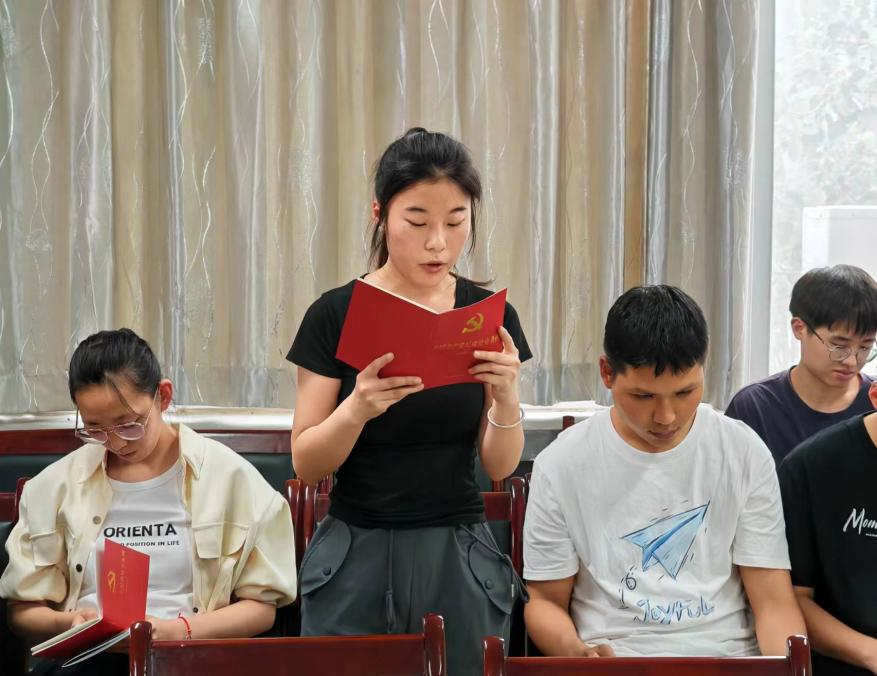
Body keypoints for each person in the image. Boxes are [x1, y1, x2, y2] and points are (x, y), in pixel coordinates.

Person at [287, 127, 531, 675]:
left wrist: (506, 396)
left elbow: (500, 465)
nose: (438, 243)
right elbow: (306, 464)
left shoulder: (486, 315)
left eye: (456, 221)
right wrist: (357, 408)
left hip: (459, 551)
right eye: (417, 222)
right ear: (380, 214)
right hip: (356, 548)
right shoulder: (334, 315)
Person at [524, 285, 805, 657]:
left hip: (728, 660)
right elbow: (545, 600)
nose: (667, 417)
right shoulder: (561, 464)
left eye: (685, 393)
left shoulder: (742, 451)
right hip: (615, 660)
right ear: (607, 373)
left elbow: (773, 602)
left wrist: (786, 667)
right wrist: (576, 653)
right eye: (644, 396)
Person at [0, 329, 296, 674]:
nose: (115, 442)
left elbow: (262, 608)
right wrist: (69, 623)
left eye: (128, 425)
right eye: (95, 429)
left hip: (190, 657)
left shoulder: (231, 479)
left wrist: (178, 631)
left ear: (163, 397)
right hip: (90, 661)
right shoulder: (54, 487)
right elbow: (21, 612)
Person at [725, 265, 877, 463]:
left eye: (865, 347)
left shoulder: (874, 401)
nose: (852, 361)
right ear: (799, 329)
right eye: (839, 346)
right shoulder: (754, 407)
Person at [778, 379, 877, 676]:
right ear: (875, 396)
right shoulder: (810, 467)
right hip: (846, 661)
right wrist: (871, 654)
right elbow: (792, 599)